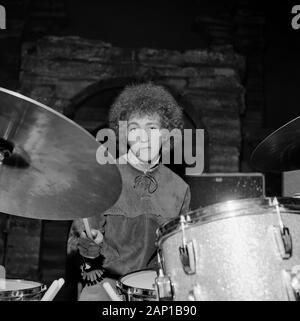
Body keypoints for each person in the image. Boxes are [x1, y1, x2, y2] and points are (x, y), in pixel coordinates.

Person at [67, 82, 191, 300]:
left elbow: (178, 253)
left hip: (154, 287)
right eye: (134, 129)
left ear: (166, 133)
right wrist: (86, 248)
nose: (143, 137)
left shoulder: (179, 189)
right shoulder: (103, 178)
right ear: (124, 135)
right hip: (104, 282)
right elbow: (77, 243)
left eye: (151, 128)